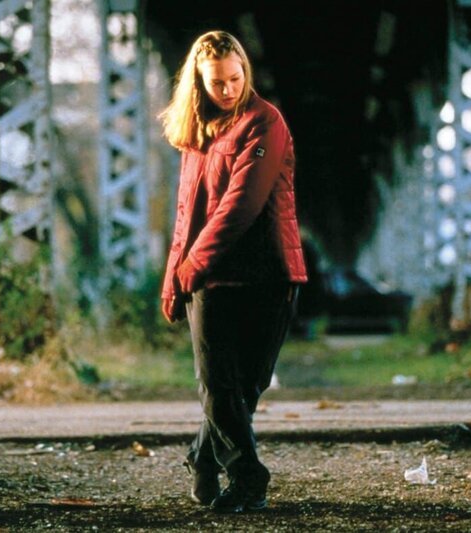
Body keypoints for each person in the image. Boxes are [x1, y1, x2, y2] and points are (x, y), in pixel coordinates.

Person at [158, 30, 307, 513]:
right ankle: (249, 479)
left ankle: (202, 459)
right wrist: (174, 277)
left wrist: (191, 266)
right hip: (213, 281)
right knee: (218, 385)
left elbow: (241, 204)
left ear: (246, 71)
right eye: (217, 82)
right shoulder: (197, 133)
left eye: (235, 78)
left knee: (245, 387)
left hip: (268, 273)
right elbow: (186, 214)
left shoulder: (265, 122)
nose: (228, 89)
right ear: (199, 84)